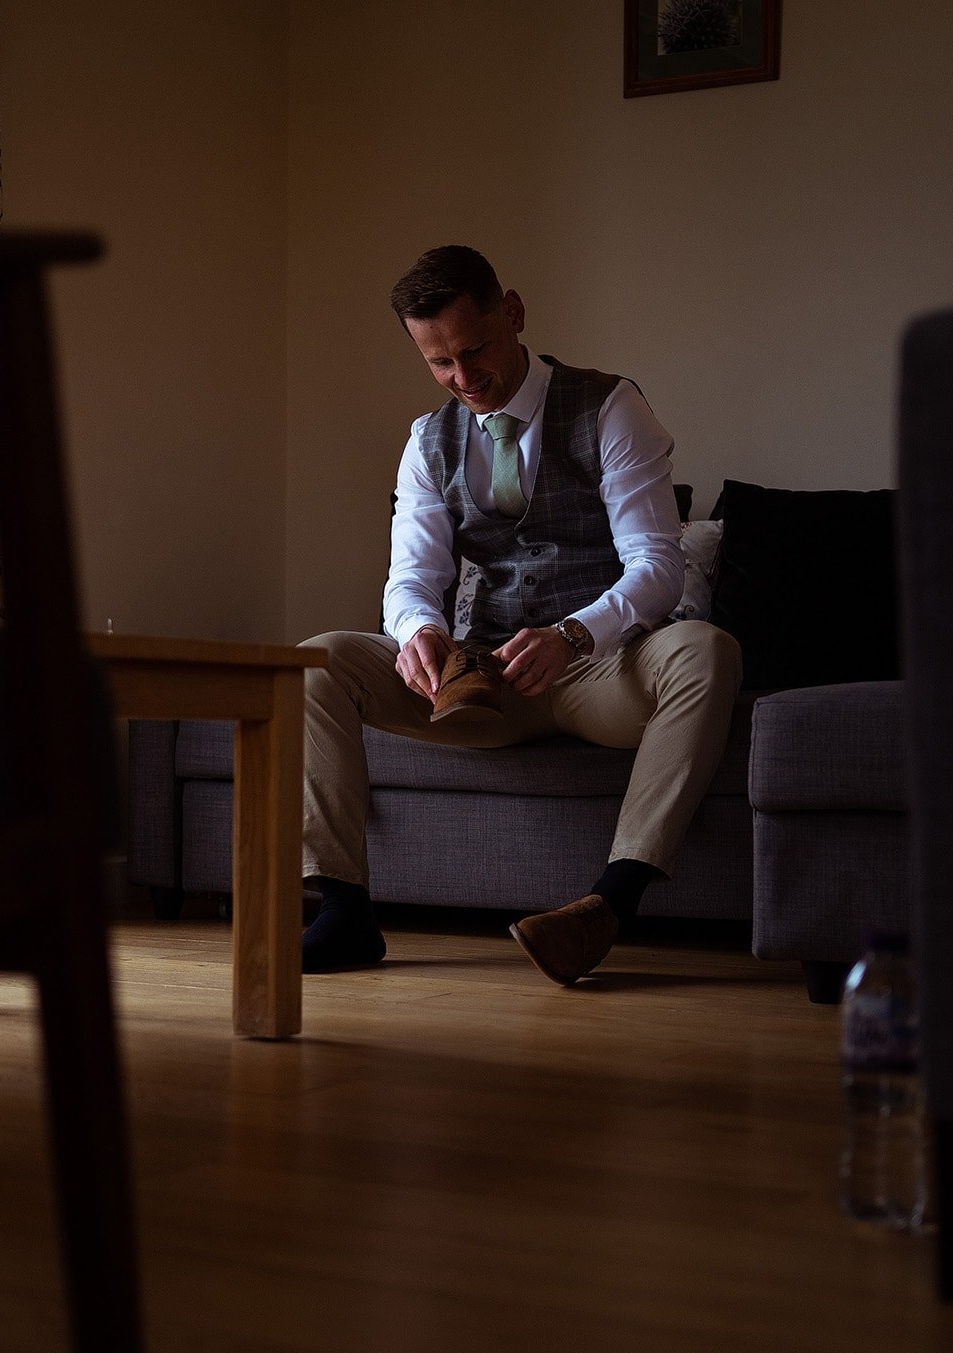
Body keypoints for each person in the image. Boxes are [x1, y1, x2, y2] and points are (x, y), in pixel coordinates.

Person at [298, 245, 741, 983]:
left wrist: (575, 635)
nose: (463, 379)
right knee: (315, 660)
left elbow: (658, 569)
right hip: (480, 679)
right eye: (439, 363)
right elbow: (410, 578)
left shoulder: (609, 406)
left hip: (600, 669)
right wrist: (419, 633)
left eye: (474, 351)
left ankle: (608, 905)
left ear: (513, 313)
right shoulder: (426, 442)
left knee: (707, 650)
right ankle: (342, 909)